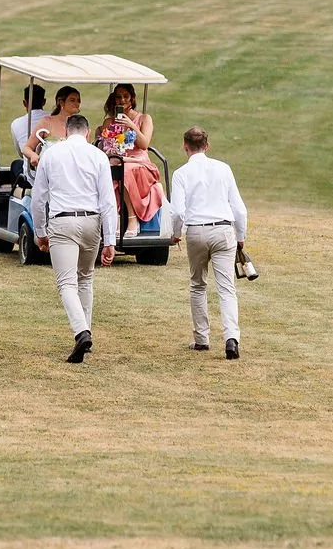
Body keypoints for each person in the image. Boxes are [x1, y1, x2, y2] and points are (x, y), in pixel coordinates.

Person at [29, 113, 117, 362]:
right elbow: (108, 200)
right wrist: (110, 239)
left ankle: (81, 332)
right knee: (85, 278)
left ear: (66, 132)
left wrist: (40, 231)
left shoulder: (52, 153)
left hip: (63, 220)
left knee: (66, 283)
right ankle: (84, 332)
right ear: (87, 133)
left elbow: (38, 198)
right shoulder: (98, 155)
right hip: (92, 220)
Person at [168, 126, 248, 359]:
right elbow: (239, 209)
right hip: (223, 229)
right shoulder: (223, 169)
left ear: (185, 147)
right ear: (207, 145)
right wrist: (241, 236)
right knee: (226, 288)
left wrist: (176, 234)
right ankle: (231, 337)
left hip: (197, 231)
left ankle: (202, 338)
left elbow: (178, 213)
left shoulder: (181, 173)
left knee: (198, 284)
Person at [96, 83, 163, 236]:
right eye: (119, 97)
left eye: (126, 97)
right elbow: (107, 145)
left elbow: (144, 144)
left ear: (132, 99)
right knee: (110, 171)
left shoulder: (144, 119)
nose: (122, 100)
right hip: (117, 158)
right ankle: (114, 217)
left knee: (124, 170)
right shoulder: (109, 122)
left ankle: (132, 219)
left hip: (139, 162)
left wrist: (131, 125)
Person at [20, 86, 81, 167]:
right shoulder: (46, 122)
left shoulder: (81, 124)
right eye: (72, 100)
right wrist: (33, 156)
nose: (77, 104)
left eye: (78, 101)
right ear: (61, 102)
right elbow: (27, 148)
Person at [8, 84, 48, 184]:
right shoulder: (54, 118)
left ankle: (21, 194)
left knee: (16, 164)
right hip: (48, 170)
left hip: (32, 176)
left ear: (24, 103)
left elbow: (21, 153)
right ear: (44, 102)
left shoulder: (16, 124)